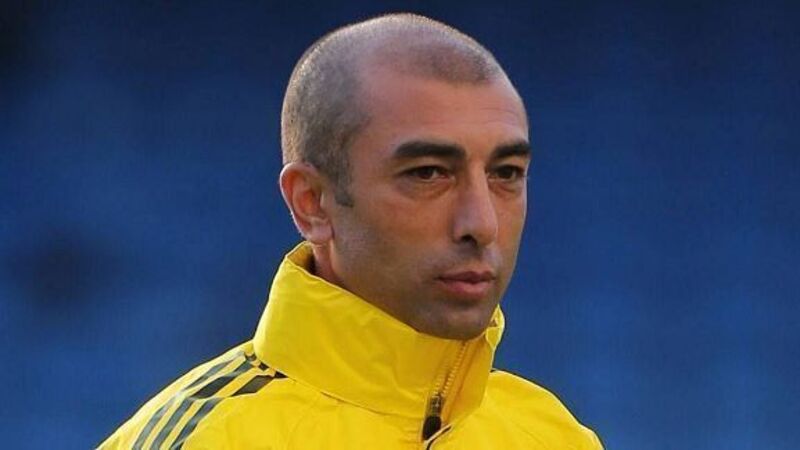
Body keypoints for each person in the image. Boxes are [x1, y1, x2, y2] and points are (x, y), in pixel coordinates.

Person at [100, 13, 602, 449]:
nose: (482, 223)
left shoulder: (554, 436)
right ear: (312, 203)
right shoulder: (207, 440)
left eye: (506, 173)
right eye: (428, 173)